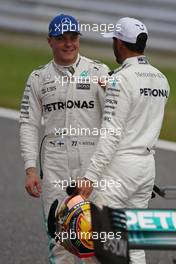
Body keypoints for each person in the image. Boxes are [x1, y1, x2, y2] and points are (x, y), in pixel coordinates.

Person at [77, 17, 170, 264]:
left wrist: (90, 177)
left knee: (101, 245)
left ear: (119, 43)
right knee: (134, 243)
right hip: (145, 169)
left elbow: (111, 132)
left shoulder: (120, 79)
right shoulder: (162, 79)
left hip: (119, 170)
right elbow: (140, 110)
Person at [19, 13, 109, 264]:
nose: (68, 43)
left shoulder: (99, 72)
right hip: (55, 164)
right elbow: (28, 123)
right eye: (61, 38)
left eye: (73, 38)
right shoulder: (38, 78)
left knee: (94, 241)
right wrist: (29, 169)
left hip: (91, 165)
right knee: (59, 239)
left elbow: (114, 122)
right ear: (50, 41)